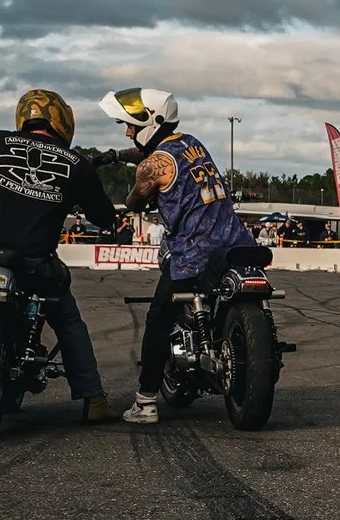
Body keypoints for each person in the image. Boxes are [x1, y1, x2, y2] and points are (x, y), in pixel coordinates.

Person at [0, 90, 119, 423]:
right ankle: (94, 399)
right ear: (63, 122)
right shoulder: (78, 165)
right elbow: (105, 219)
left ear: (22, 119)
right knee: (68, 321)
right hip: (33, 261)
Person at [96, 89, 255, 425]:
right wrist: (114, 155)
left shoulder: (151, 167)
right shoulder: (192, 143)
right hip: (237, 240)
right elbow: (152, 155)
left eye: (129, 125)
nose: (127, 132)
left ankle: (145, 401)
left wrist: (136, 191)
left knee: (157, 318)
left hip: (193, 249)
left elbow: (138, 197)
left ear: (150, 121)